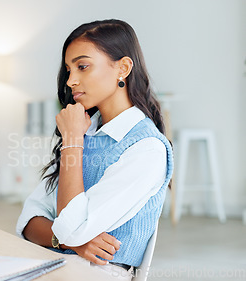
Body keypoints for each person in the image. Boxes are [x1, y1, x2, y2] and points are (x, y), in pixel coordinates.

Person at [16, 19, 173, 280]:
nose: (71, 81)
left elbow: (71, 228)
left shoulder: (147, 148)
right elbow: (29, 220)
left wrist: (72, 142)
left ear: (122, 68)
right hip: (56, 264)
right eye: (68, 70)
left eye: (82, 66)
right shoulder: (84, 131)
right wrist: (70, 242)